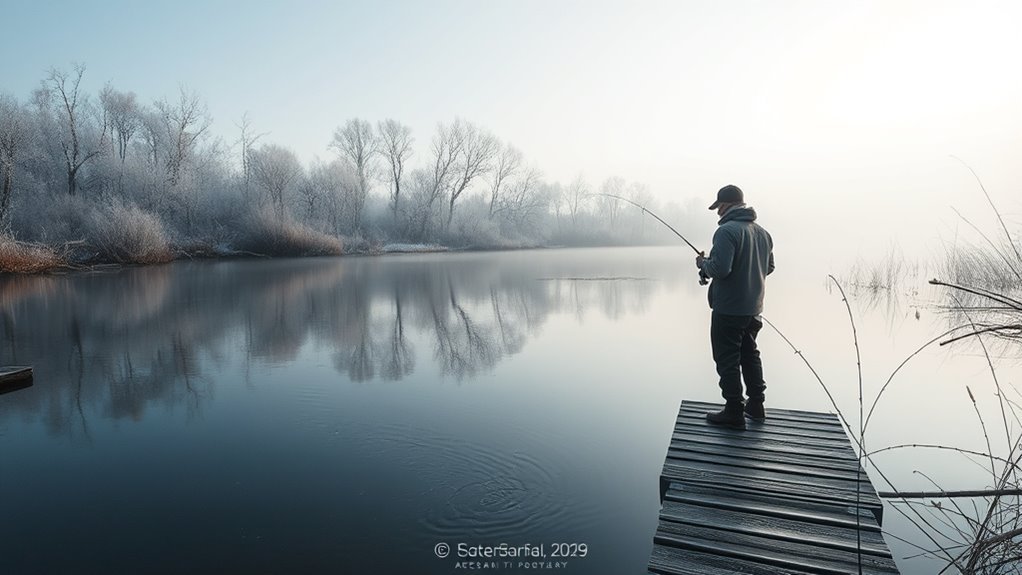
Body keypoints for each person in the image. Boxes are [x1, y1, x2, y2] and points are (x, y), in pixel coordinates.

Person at [695, 184, 774, 429]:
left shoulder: (725, 232)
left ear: (727, 205)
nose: (718, 212)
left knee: (726, 359)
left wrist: (703, 263)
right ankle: (756, 406)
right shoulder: (763, 233)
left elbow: (720, 269)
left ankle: (733, 411)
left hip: (728, 309)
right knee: (750, 355)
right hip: (754, 308)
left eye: (719, 207)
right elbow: (769, 267)